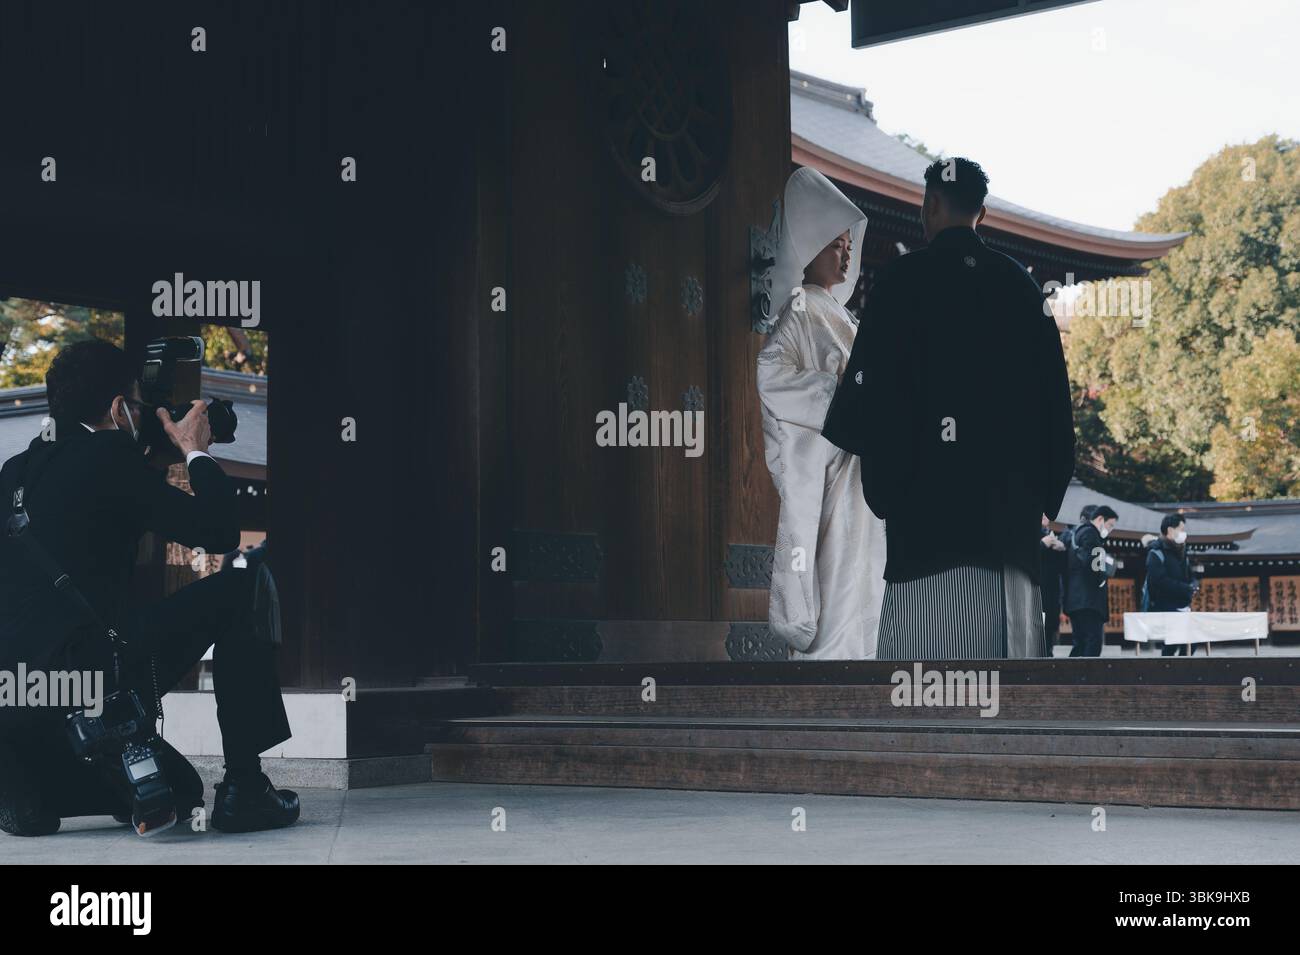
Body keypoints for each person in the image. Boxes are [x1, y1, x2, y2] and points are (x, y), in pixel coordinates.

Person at [0, 339, 298, 836]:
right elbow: (220, 532)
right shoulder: (108, 459)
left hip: (20, 697)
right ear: (119, 409)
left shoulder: (14, 473)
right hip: (93, 676)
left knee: (179, 791)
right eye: (138, 404)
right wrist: (195, 450)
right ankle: (246, 788)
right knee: (246, 587)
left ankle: (28, 781)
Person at [822, 157, 1075, 658]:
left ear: (930, 204)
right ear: (981, 214)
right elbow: (1055, 401)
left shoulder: (901, 282)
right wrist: (1045, 492)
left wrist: (878, 465)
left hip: (925, 520)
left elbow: (868, 390)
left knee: (921, 677)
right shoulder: (1022, 289)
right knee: (1009, 683)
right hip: (1008, 526)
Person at [757, 166, 886, 659]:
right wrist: (838, 394)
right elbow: (773, 376)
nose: (847, 251)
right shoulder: (798, 312)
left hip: (859, 469)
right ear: (808, 249)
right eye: (835, 243)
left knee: (862, 571)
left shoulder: (842, 317)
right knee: (834, 572)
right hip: (831, 466)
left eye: (848, 243)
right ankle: (830, 673)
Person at [1064, 505, 1119, 657]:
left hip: (1076, 599)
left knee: (1080, 643)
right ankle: (1087, 679)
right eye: (1110, 525)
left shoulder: (1076, 534)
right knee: (1092, 643)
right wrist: (1104, 573)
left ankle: (1073, 678)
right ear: (1100, 519)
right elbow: (1094, 566)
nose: (1111, 529)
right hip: (1089, 600)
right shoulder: (1091, 534)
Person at [1145, 514, 1200, 656]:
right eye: (1181, 529)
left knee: (1192, 641)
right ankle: (1167, 672)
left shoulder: (1181, 550)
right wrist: (1185, 588)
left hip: (1183, 605)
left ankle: (1181, 670)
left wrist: (1194, 584)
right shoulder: (1155, 552)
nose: (1184, 533)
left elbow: (1189, 574)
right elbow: (1159, 581)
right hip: (1165, 606)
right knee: (1172, 643)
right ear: (1170, 530)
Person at [1038, 515, 1068, 655]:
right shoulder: (1032, 535)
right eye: (1042, 515)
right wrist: (1043, 544)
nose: (1045, 518)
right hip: (1037, 586)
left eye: (1046, 516)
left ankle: (1048, 651)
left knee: (1050, 625)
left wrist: (1061, 549)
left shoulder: (1052, 535)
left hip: (1052, 588)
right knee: (1039, 625)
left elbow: (1062, 568)